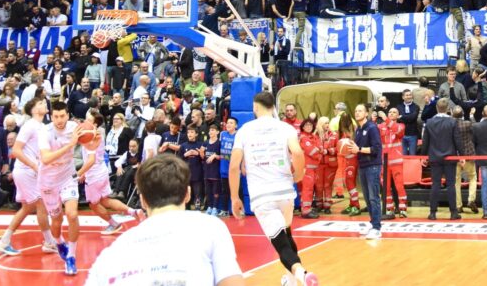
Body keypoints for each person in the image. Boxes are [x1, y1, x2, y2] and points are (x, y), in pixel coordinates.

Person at [85, 155, 244, 286]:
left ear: (143, 201)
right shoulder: (211, 227)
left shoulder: (112, 253)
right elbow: (231, 281)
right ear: (187, 194)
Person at [228, 90, 317, 286]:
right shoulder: (285, 128)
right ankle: (291, 281)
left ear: (255, 107)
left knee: (280, 244)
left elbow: (234, 166)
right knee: (286, 236)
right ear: (274, 107)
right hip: (285, 193)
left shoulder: (245, 130)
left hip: (262, 196)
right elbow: (298, 153)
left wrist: (235, 197)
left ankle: (302, 274)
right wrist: (298, 175)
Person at [0, 97, 55, 256]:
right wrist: (34, 165)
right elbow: (16, 150)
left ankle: (4, 241)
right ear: (33, 109)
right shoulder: (29, 125)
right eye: (41, 103)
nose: (44, 104)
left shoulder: (42, 126)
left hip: (31, 171)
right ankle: (49, 242)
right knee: (41, 204)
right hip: (26, 171)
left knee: (27, 208)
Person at [37, 100, 85, 275]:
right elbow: (46, 159)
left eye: (62, 116)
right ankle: (58, 242)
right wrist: (70, 145)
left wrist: (93, 138)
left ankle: (71, 257)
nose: (59, 120)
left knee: (72, 214)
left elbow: (91, 138)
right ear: (51, 116)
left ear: (67, 115)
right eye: (56, 116)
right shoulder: (45, 132)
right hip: (48, 181)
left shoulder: (74, 127)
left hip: (67, 178)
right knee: (56, 221)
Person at [78, 110, 139, 234]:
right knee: (105, 201)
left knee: (93, 205)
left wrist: (79, 173)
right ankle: (133, 211)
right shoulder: (97, 134)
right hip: (101, 172)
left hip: (94, 175)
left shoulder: (91, 137)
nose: (85, 122)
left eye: (88, 120)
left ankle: (113, 224)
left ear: (95, 124)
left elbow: (90, 160)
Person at [421, 97, 461, 220]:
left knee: (435, 184)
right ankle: (453, 212)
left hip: (434, 157)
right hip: (450, 157)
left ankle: (432, 213)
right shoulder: (453, 122)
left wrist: (423, 156)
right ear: (448, 108)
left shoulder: (429, 122)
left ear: (436, 108)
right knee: (451, 185)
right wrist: (462, 155)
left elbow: (425, 142)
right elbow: (457, 140)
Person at [353, 103, 384, 238]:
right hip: (362, 165)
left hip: (373, 166)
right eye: (356, 111)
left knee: (373, 197)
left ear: (366, 113)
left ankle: (377, 227)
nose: (357, 113)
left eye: (360, 111)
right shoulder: (358, 130)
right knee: (367, 197)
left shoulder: (372, 128)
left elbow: (376, 148)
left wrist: (359, 149)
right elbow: (357, 148)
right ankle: (373, 223)